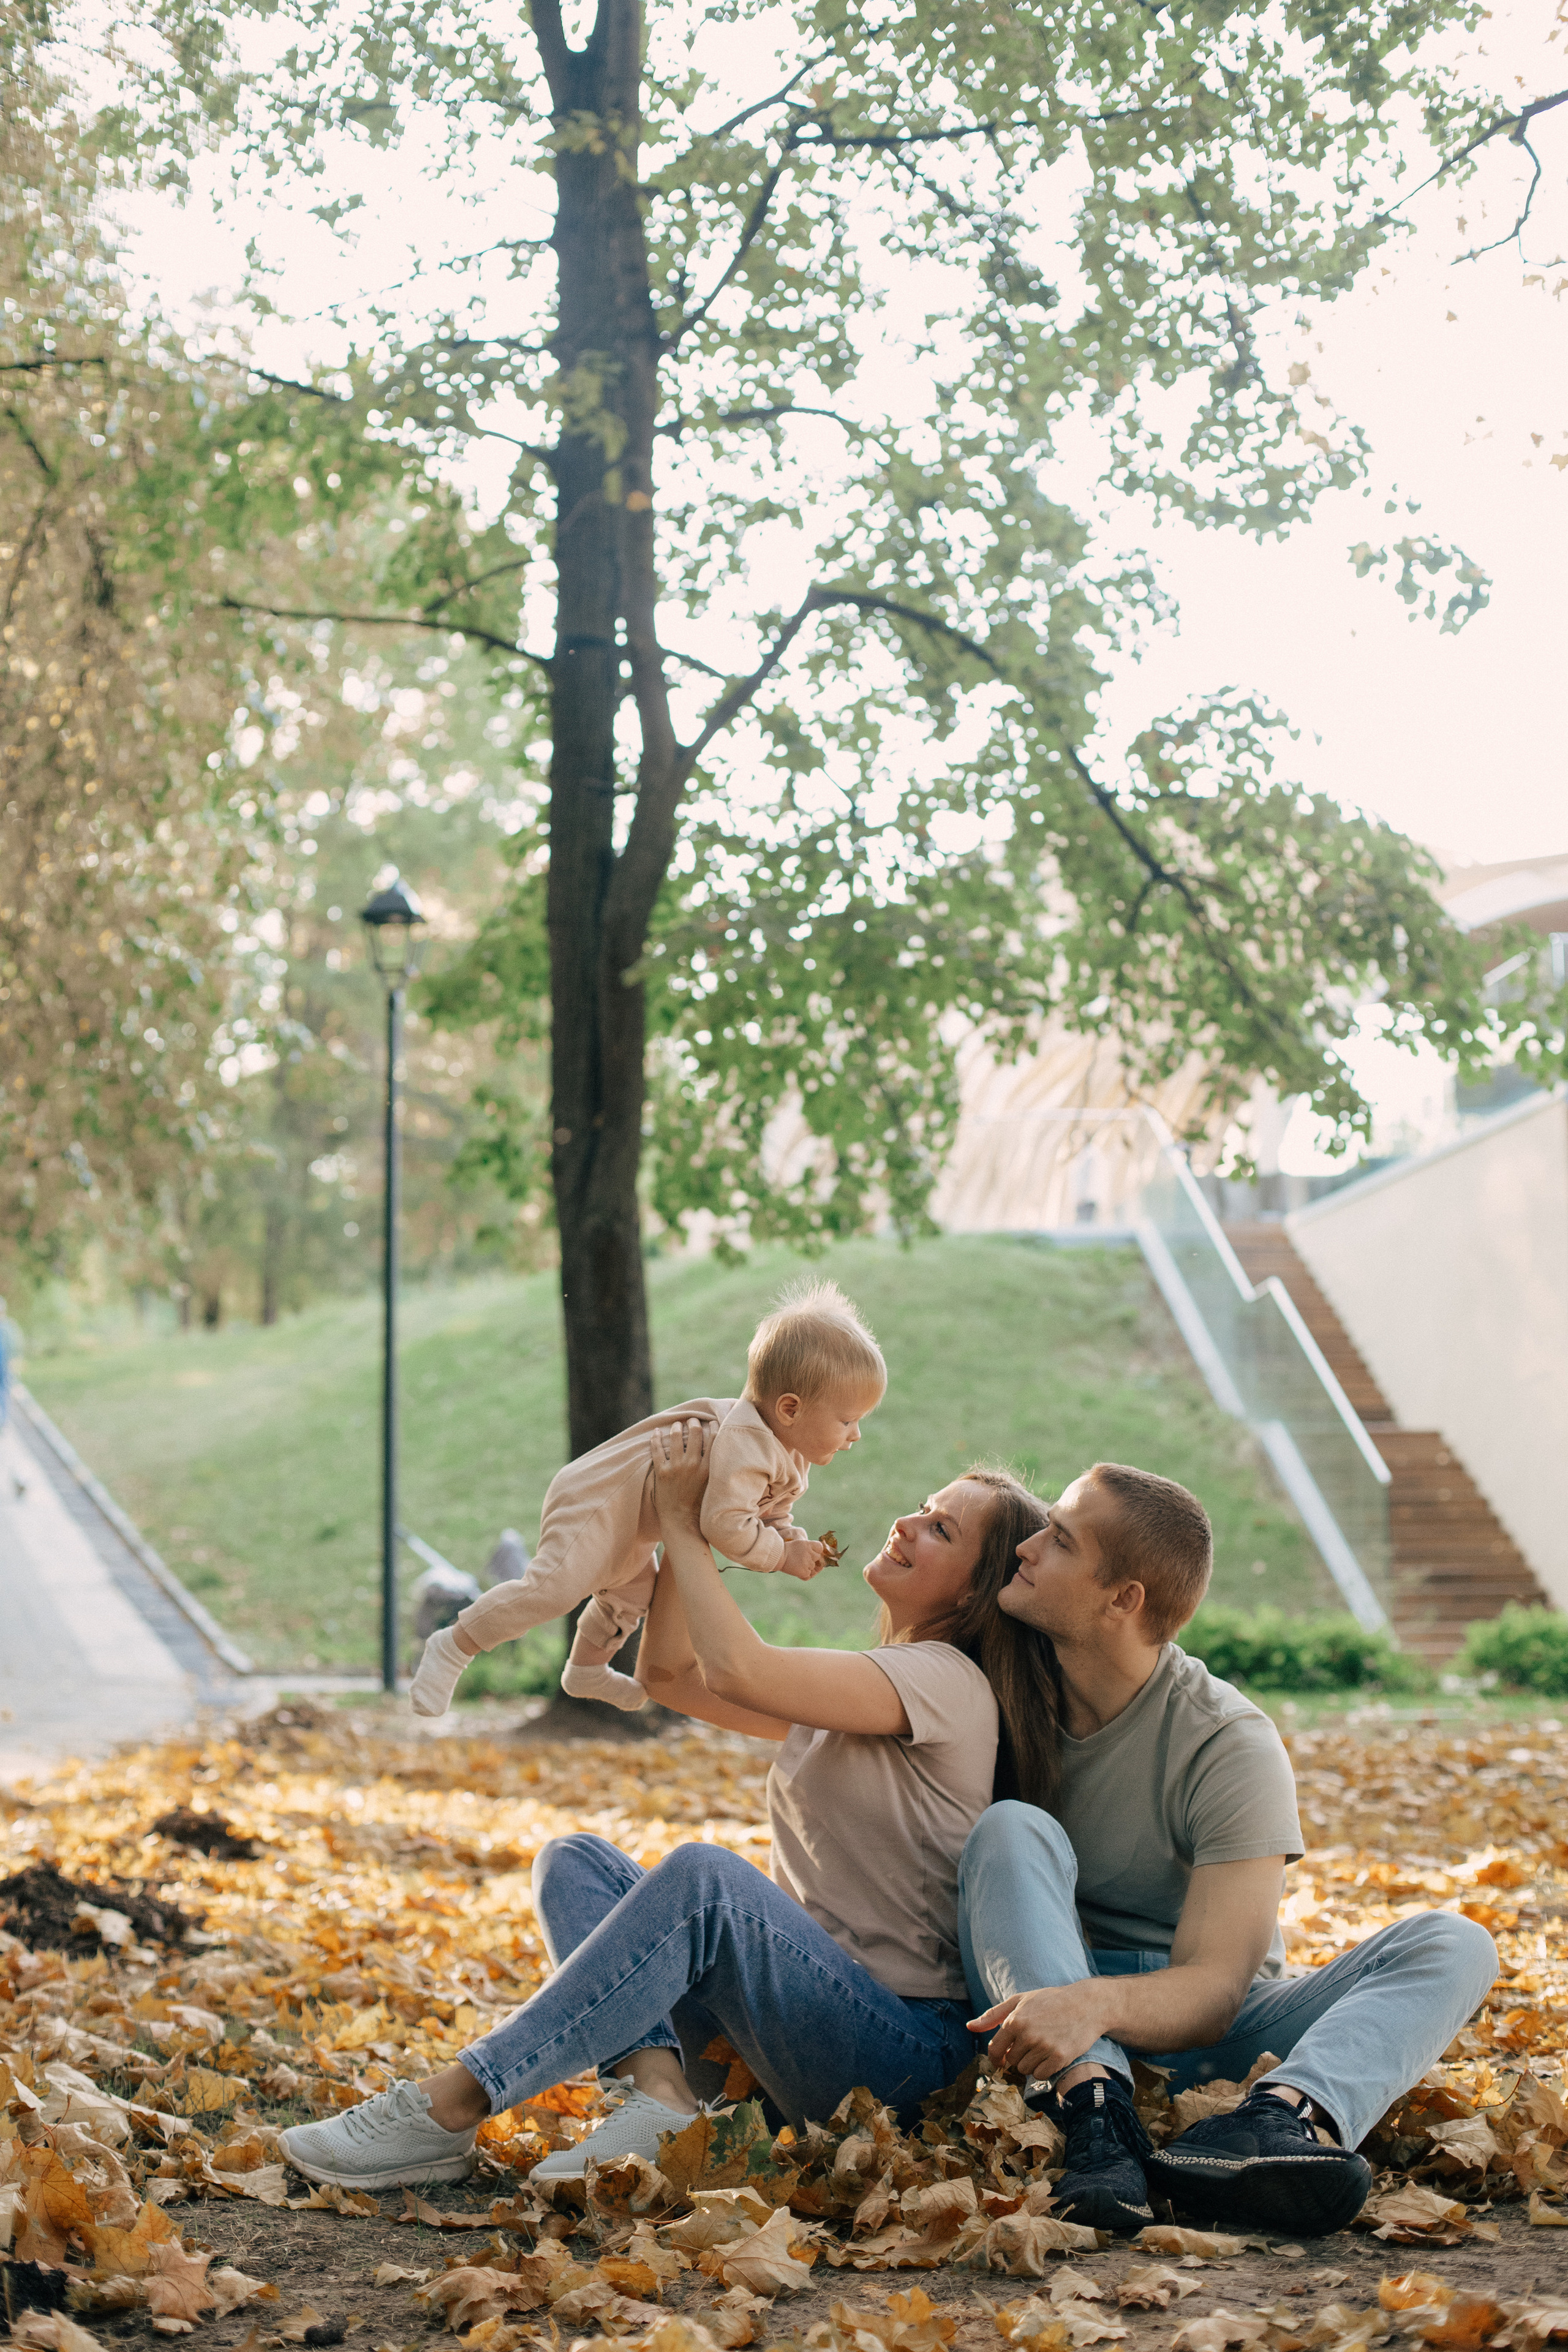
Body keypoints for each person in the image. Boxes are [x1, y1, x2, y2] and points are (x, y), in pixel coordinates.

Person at [279, 1433, 1060, 2192]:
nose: (908, 1523)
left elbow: (737, 1666)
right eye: (923, 1508)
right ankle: (659, 2098)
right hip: (787, 2032)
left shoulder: (945, 1681)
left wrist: (693, 1520)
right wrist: (680, 1524)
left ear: (973, 1590)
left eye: (941, 1529)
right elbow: (672, 1674)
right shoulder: (875, 1687)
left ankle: (452, 2102)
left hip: (897, 2060)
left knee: (706, 1879)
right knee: (577, 1861)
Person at [959, 1461, 1499, 2240]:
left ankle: (1272, 2124)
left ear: (1123, 1600)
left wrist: (1098, 2001)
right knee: (1011, 1827)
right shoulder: (998, 1691)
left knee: (1456, 1942)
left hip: (1213, 2032)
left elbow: (1215, 1994)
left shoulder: (1226, 1741)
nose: (1027, 1547)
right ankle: (1097, 2123)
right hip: (1053, 2013)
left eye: (1059, 1540)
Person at [410, 1280, 886, 1717]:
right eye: (847, 1421)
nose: (856, 1434)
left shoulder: (787, 1447)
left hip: (638, 1519)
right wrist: (782, 1556)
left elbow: (770, 1511)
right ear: (790, 1409)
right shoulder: (746, 1443)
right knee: (551, 1588)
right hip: (597, 1498)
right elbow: (725, 1524)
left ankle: (585, 1672)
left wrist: (793, 1539)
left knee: (632, 1596)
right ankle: (454, 1644)